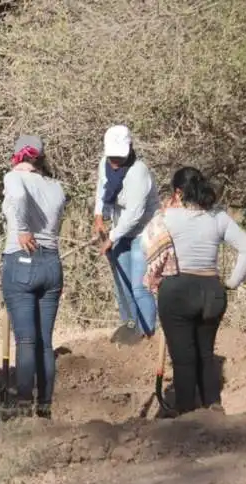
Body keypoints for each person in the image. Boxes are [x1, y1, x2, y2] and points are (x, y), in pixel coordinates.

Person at [149, 167, 246, 415]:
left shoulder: (164, 218)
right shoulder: (218, 217)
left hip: (177, 291)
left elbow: (150, 253)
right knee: (206, 354)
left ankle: (187, 415)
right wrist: (230, 282)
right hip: (212, 291)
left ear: (177, 192)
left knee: (184, 359)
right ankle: (213, 408)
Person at [1, 135, 67, 418]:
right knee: (46, 342)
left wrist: (23, 227)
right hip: (51, 262)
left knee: (26, 340)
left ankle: (24, 405)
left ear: (18, 157)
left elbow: (16, 197)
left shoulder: (15, 178)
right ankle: (45, 406)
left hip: (21, 259)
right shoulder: (55, 186)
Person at [93, 124, 160, 343]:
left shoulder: (138, 172)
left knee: (139, 286)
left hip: (143, 232)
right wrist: (98, 216)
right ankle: (131, 327)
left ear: (130, 148)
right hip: (120, 231)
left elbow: (135, 213)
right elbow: (101, 190)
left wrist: (111, 237)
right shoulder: (105, 164)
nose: (115, 161)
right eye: (112, 156)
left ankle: (148, 332)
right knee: (122, 284)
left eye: (119, 156)